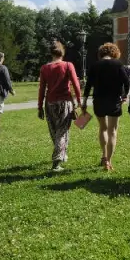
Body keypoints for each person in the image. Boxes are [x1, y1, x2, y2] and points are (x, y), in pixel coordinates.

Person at [83, 43, 130, 171]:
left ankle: (103, 156)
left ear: (101, 53)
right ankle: (109, 161)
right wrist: (125, 96)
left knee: (102, 128)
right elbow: (127, 82)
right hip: (114, 101)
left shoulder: (95, 66)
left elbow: (88, 85)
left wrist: (84, 101)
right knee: (112, 131)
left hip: (98, 100)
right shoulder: (118, 64)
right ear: (115, 53)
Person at [37, 41, 82, 172]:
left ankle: (62, 154)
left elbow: (41, 89)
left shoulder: (45, 68)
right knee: (62, 132)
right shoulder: (68, 65)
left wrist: (39, 107)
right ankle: (57, 162)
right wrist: (79, 101)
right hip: (65, 103)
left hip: (49, 103)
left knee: (55, 132)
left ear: (51, 52)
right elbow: (76, 85)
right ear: (62, 52)